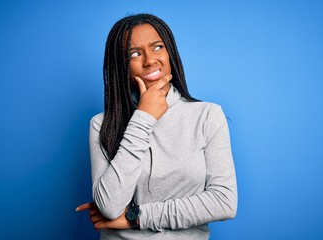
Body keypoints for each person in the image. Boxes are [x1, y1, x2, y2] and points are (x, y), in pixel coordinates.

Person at [76, 13, 237, 240]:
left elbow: (224, 202)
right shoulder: (101, 125)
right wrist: (144, 117)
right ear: (121, 66)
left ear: (170, 51)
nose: (150, 60)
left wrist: (135, 216)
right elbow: (110, 207)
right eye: (134, 53)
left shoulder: (207, 116)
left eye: (158, 47)